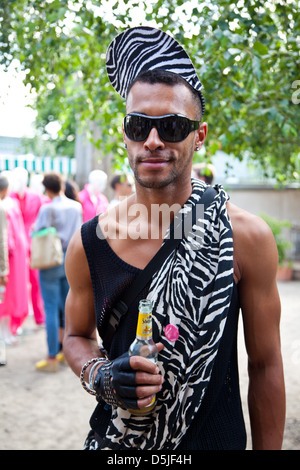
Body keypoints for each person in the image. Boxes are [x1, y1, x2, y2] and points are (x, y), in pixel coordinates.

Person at [63, 27, 285, 450]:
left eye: (171, 126)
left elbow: (266, 363)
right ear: (124, 132)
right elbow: (75, 336)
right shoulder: (89, 242)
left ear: (198, 135)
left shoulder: (245, 237)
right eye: (139, 125)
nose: (152, 140)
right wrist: (102, 376)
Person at [34, 173, 82, 372]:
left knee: (51, 308)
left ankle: (52, 355)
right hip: (70, 259)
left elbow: (38, 232)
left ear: (47, 188)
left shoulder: (47, 208)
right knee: (67, 307)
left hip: (51, 260)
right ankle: (66, 352)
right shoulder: (76, 206)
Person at [10, 167, 46, 326]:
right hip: (15, 245)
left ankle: (38, 315)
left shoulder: (36, 197)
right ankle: (15, 319)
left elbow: (41, 216)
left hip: (33, 243)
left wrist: (36, 226)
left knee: (36, 281)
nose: (20, 182)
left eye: (22, 178)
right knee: (16, 282)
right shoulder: (9, 198)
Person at [0, 175, 29, 339]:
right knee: (6, 297)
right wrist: (4, 269)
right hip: (9, 257)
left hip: (13, 255)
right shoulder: (5, 207)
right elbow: (3, 240)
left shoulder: (9, 205)